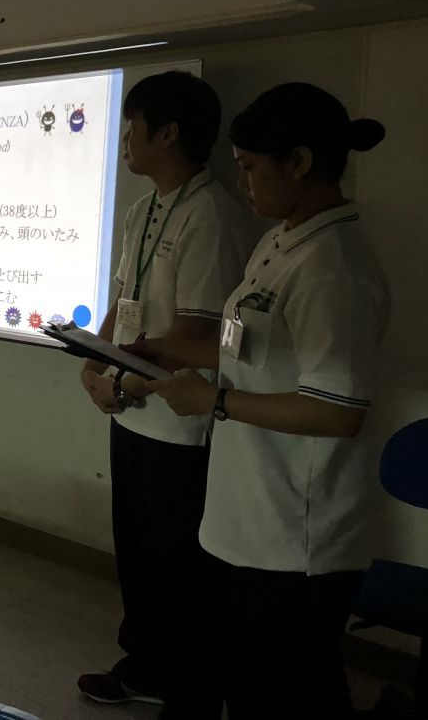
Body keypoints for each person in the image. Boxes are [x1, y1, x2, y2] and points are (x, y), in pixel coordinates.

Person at [128, 82, 390, 719]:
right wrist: (170, 351)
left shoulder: (333, 267)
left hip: (296, 536)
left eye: (249, 167)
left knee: (284, 694)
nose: (242, 183)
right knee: (245, 686)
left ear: (298, 163)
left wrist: (214, 403)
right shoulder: (281, 241)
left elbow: (339, 412)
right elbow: (249, 350)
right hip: (245, 515)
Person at [76, 71, 253, 717]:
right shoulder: (142, 208)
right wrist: (92, 364)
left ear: (169, 133)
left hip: (179, 424)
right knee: (138, 555)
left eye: (133, 128)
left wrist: (121, 378)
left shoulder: (212, 215)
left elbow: (195, 335)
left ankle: (186, 685)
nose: (125, 140)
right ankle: (144, 665)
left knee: (178, 564)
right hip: (130, 410)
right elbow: (122, 301)